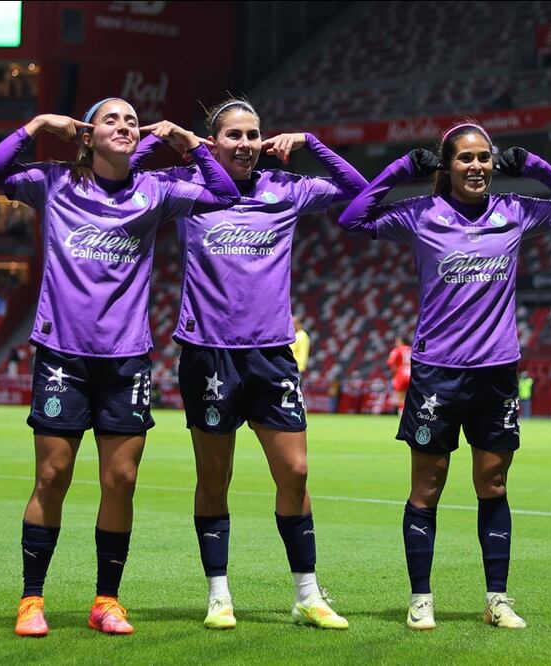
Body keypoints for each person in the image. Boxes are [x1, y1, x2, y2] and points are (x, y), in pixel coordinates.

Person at [0, 98, 239, 637]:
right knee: (52, 476)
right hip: (62, 355)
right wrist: (35, 125)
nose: (123, 125)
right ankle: (31, 599)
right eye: (110, 119)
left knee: (120, 481)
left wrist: (190, 143)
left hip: (126, 358)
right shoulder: (54, 183)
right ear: (88, 135)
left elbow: (225, 193)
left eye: (130, 119)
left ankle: (106, 600)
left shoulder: (157, 190)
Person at [338, 120, 551, 630]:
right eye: (465, 158)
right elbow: (351, 218)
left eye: (484, 158)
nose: (476, 166)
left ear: (494, 163)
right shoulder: (420, 215)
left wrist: (537, 166)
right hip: (437, 371)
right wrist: (398, 170)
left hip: (497, 372)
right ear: (448, 166)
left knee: (493, 484)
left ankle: (497, 599)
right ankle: (420, 598)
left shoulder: (515, 211)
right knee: (427, 488)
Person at [129, 98, 365, 630]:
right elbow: (127, 179)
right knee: (215, 476)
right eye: (233, 134)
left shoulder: (286, 189)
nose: (245, 143)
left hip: (271, 352)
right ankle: (219, 594)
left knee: (296, 471)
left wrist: (311, 143)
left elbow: (358, 192)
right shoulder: (189, 188)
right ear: (213, 142)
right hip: (208, 351)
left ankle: (306, 593)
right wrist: (172, 142)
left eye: (253, 134)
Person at [387, 335, 412, 415]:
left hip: (401, 374)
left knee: (400, 398)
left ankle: (401, 415)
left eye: (397, 341)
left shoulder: (397, 350)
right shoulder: (413, 349)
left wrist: (394, 374)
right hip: (412, 374)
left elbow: (391, 363)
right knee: (412, 397)